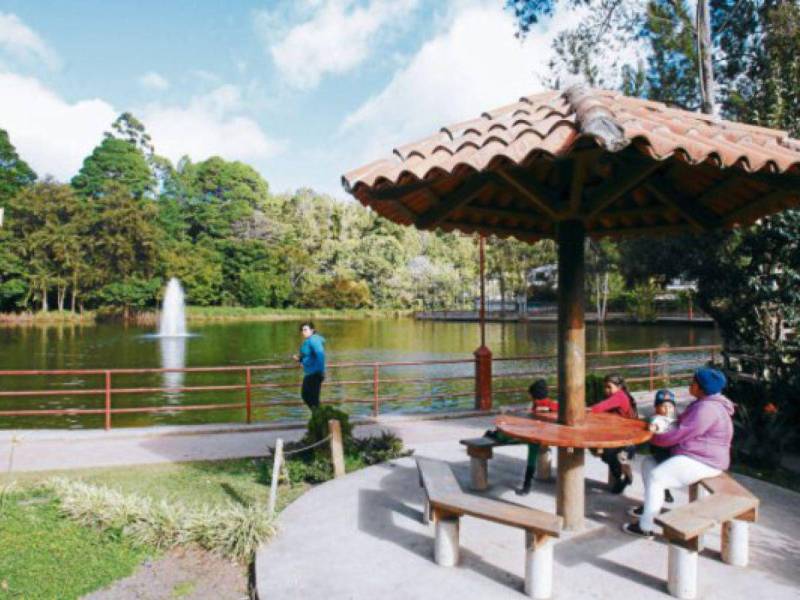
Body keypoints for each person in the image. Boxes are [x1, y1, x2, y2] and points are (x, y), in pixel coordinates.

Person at [623, 367, 734, 538]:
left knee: (657, 476)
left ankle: (646, 527)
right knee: (648, 463)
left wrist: (653, 437)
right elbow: (680, 424)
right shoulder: (705, 403)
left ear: (701, 388)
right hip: (697, 455)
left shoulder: (707, 409)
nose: (690, 384)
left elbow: (679, 433)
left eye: (693, 382)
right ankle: (650, 508)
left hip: (705, 461)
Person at [485, 379, 557, 495]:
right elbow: (554, 408)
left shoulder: (539, 405)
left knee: (506, 434)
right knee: (532, 456)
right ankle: (526, 486)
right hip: (540, 436)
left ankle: (492, 434)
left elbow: (530, 416)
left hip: (533, 436)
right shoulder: (550, 403)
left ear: (535, 397)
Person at [590, 374, 639, 494]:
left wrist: (587, 409)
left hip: (627, 440)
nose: (606, 390)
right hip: (621, 434)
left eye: (608, 387)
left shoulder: (619, 396)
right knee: (602, 451)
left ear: (619, 387)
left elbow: (598, 408)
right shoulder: (617, 395)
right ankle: (622, 474)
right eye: (605, 387)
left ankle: (622, 476)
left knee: (606, 452)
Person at [648, 389, 678, 503]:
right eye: (663, 406)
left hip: (670, 447)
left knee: (664, 470)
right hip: (660, 449)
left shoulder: (674, 417)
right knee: (662, 469)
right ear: (656, 408)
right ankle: (665, 491)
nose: (667, 409)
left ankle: (666, 490)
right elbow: (657, 425)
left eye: (670, 406)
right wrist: (654, 427)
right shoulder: (657, 418)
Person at [292, 322, 326, 410]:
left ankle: (320, 418)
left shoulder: (313, 340)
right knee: (310, 398)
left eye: (305, 330)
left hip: (315, 374)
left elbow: (320, 355)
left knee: (309, 397)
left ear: (312, 330)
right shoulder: (309, 340)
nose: (303, 332)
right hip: (310, 373)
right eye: (302, 330)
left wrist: (320, 372)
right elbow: (309, 356)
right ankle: (318, 417)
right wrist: (299, 359)